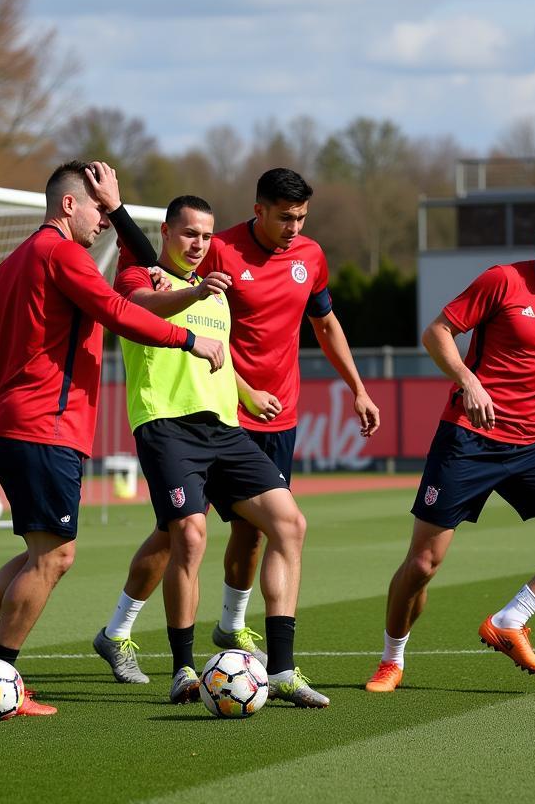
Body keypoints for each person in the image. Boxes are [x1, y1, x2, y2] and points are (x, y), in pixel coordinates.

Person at [0, 161, 224, 717]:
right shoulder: (64, 255)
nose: (103, 223)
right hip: (46, 426)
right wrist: (188, 340)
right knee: (56, 557)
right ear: (69, 205)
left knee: (39, 551)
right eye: (96, 209)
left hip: (15, 425)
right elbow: (117, 310)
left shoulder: (15, 261)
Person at [93, 168, 380, 683]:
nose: (294, 227)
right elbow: (152, 276)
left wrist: (355, 387)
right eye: (286, 217)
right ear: (259, 210)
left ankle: (235, 631)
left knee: (258, 530)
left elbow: (323, 323)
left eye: (302, 218)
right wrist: (117, 211)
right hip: (187, 418)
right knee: (180, 534)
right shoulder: (210, 260)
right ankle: (126, 633)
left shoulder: (303, 259)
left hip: (258, 414)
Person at [365, 197, 535, 692]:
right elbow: (437, 332)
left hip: (529, 449)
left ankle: (511, 619)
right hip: (467, 440)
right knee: (423, 563)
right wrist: (469, 379)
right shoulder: (502, 280)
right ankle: (391, 659)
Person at [114, 193, 328, 706]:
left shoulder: (212, 295)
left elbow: (221, 358)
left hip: (225, 429)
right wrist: (189, 292)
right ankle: (184, 670)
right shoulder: (141, 280)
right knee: (189, 536)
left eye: (206, 236)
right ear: (165, 232)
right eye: (189, 233)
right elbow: (140, 310)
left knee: (289, 524)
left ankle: (281, 669)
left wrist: (248, 392)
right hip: (166, 424)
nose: (199, 244)